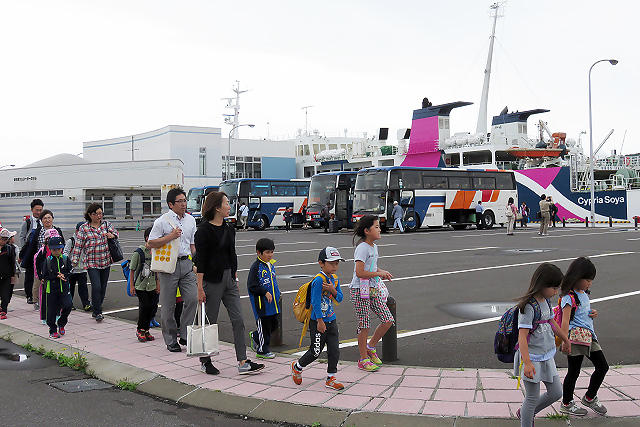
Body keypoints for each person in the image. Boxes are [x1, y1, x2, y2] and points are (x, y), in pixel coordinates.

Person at [195, 191, 264, 375]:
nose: (229, 206)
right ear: (217, 207)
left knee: (238, 319)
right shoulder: (203, 231)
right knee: (210, 322)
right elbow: (200, 261)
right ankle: (205, 360)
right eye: (226, 203)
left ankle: (242, 361)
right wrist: (199, 287)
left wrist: (234, 277)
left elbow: (231, 254)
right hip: (211, 280)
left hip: (229, 279)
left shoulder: (228, 228)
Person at [514, 263, 571, 427]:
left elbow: (552, 322)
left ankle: (526, 412)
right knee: (531, 398)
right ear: (541, 284)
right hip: (531, 359)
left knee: (556, 392)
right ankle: (527, 418)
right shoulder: (527, 307)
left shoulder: (545, 302)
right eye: (553, 287)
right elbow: (522, 337)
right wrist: (527, 363)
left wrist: (565, 339)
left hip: (547, 356)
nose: (556, 291)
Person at [148, 188, 198, 352]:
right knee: (168, 306)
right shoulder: (162, 221)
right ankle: (170, 339)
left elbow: (192, 244)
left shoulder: (191, 220)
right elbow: (151, 243)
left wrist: (196, 261)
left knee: (192, 299)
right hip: (168, 265)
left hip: (186, 263)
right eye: (180, 201)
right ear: (171, 204)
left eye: (185, 200)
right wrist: (170, 236)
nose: (184, 204)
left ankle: (184, 334)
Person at [559, 257, 609, 416]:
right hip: (575, 337)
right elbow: (565, 320)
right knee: (574, 371)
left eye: (591, 280)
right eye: (587, 279)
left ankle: (590, 396)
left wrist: (593, 313)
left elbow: (583, 313)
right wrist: (565, 341)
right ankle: (566, 403)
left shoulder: (583, 294)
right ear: (576, 277)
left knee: (603, 366)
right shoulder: (569, 297)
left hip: (589, 336)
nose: (590, 283)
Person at [291, 247, 345, 390]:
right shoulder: (318, 281)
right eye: (331, 263)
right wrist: (320, 322)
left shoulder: (334, 279)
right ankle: (297, 366)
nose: (335, 266)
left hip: (331, 320)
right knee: (315, 351)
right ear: (321, 263)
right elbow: (315, 302)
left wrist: (332, 290)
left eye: (337, 263)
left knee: (334, 350)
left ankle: (331, 378)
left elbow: (339, 298)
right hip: (318, 322)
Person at [350, 215, 394, 372]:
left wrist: (382, 272)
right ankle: (363, 359)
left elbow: (372, 268)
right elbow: (360, 272)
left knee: (388, 319)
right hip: (359, 289)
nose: (379, 229)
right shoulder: (362, 248)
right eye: (376, 226)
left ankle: (371, 346)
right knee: (364, 325)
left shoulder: (374, 247)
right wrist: (378, 274)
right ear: (367, 231)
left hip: (372, 289)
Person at [71, 203, 118, 322]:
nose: (99, 216)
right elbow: (78, 245)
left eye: (101, 213)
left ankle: (97, 305)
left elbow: (116, 234)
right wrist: (74, 261)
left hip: (106, 260)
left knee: (102, 287)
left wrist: (112, 235)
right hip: (92, 263)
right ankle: (97, 311)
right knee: (96, 286)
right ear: (90, 215)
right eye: (96, 214)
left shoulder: (107, 224)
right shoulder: (84, 228)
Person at [21, 209, 63, 310]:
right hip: (41, 259)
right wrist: (23, 256)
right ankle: (36, 301)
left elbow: (63, 244)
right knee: (39, 280)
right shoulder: (37, 231)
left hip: (55, 259)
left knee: (56, 280)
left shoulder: (57, 230)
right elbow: (30, 245)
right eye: (45, 218)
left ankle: (55, 300)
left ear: (52, 219)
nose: (47, 220)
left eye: (49, 217)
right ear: (41, 220)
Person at [247, 238, 281, 359]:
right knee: (264, 326)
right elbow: (252, 286)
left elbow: (274, 282)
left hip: (273, 304)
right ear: (259, 253)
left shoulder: (271, 265)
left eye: (272, 252)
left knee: (274, 325)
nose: (270, 255)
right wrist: (264, 292)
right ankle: (262, 350)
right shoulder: (256, 267)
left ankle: (256, 336)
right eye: (267, 252)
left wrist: (277, 294)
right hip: (262, 305)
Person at [129, 227, 159, 343]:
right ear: (148, 238)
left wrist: (158, 285)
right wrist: (132, 286)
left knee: (152, 307)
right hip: (140, 286)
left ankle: (146, 330)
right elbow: (132, 270)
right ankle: (140, 329)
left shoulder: (156, 252)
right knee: (145, 306)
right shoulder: (139, 252)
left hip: (152, 285)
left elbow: (157, 270)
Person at [42, 236, 73, 339]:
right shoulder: (48, 261)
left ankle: (61, 323)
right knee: (51, 311)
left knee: (68, 305)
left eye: (59, 249)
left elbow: (70, 271)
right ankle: (53, 329)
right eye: (54, 249)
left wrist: (65, 275)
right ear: (50, 249)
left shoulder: (65, 259)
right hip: (51, 289)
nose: (57, 251)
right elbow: (44, 276)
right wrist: (56, 275)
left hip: (64, 288)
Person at [18, 198, 43, 304]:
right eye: (37, 210)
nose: (39, 212)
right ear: (32, 210)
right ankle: (29, 296)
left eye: (40, 210)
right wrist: (23, 252)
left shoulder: (43, 221)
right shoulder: (27, 222)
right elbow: (22, 237)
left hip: (40, 252)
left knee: (41, 274)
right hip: (29, 252)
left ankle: (40, 295)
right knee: (29, 275)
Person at [63, 222, 91, 311]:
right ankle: (69, 304)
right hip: (72, 270)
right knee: (70, 288)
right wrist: (68, 264)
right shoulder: (71, 241)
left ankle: (86, 304)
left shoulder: (86, 241)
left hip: (82, 269)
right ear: (76, 231)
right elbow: (65, 253)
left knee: (83, 288)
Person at [0, 228, 18, 320]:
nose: (3, 241)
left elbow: (12, 263)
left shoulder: (9, 249)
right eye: (1, 238)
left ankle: (3, 310)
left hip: (6, 276)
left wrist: (12, 276)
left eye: (5, 239)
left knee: (6, 295)